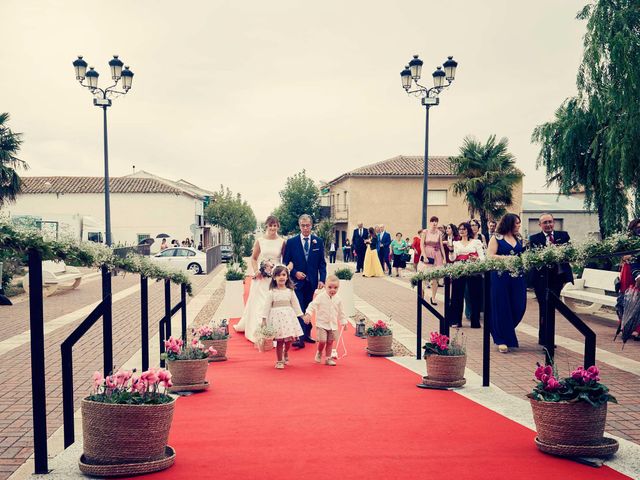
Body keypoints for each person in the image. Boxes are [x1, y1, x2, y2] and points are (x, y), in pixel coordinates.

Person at [234, 215, 285, 343]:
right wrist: (257, 271)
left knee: (274, 304)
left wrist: (283, 272)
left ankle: (274, 331)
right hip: (262, 278)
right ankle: (259, 332)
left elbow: (284, 259)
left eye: (275, 225)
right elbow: (254, 258)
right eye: (270, 225)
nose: (273, 228)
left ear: (278, 226)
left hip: (276, 277)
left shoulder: (282, 242)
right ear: (266, 226)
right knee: (261, 304)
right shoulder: (260, 241)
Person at [283, 214, 327, 348]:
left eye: (308, 225)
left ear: (311, 226)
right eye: (303, 225)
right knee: (299, 308)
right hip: (296, 282)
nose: (305, 228)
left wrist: (322, 280)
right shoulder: (291, 242)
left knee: (308, 308)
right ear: (299, 226)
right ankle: (299, 337)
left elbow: (322, 263)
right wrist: (295, 272)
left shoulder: (318, 241)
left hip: (312, 282)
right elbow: (285, 262)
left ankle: (307, 334)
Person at [529, 213, 573, 345]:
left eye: (550, 222)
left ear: (553, 223)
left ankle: (547, 337)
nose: (548, 225)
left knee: (551, 307)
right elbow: (534, 258)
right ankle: (545, 338)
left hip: (557, 278)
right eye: (545, 223)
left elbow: (569, 253)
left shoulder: (563, 236)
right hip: (542, 279)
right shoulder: (535, 238)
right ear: (540, 225)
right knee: (544, 307)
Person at [487, 213, 527, 353]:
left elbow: (523, 255)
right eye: (516, 223)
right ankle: (501, 339)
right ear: (509, 223)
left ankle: (506, 329)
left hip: (517, 276)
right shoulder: (496, 238)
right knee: (501, 306)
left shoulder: (520, 238)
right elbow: (490, 256)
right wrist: (507, 259)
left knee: (519, 305)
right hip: (500, 276)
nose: (519, 226)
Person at [261, 265, 304, 369]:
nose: (281, 277)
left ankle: (286, 352)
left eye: (284, 275)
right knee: (280, 341)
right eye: (278, 275)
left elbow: (296, 304)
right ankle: (279, 360)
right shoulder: (272, 292)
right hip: (276, 318)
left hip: (288, 318)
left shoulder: (290, 291)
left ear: (287, 277)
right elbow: (266, 306)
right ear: (274, 277)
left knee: (289, 340)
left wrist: (302, 316)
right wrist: (264, 319)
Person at [303, 275, 349, 366]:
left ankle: (328, 358)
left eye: (335, 288)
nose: (333, 290)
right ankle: (319, 352)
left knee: (330, 342)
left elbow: (341, 312)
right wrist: (308, 314)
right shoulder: (320, 297)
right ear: (325, 287)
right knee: (323, 340)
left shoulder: (338, 299)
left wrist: (343, 322)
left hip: (333, 325)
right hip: (322, 324)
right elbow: (312, 305)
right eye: (330, 287)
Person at [449, 222, 484, 328]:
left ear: (468, 230)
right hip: (459, 270)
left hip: (473, 270)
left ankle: (475, 321)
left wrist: (476, 258)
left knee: (475, 295)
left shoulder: (476, 242)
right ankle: (456, 320)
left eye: (464, 229)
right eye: (460, 229)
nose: (462, 231)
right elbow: (452, 258)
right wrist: (451, 251)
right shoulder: (456, 243)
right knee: (456, 295)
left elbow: (482, 258)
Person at [419, 216, 446, 305]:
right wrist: (424, 255)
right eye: (433, 221)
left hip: (436, 255)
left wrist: (444, 258)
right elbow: (422, 244)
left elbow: (441, 246)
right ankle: (421, 294)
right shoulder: (425, 232)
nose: (434, 223)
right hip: (427, 253)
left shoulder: (439, 233)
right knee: (423, 275)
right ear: (430, 222)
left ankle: (433, 297)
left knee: (435, 277)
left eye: (436, 222)